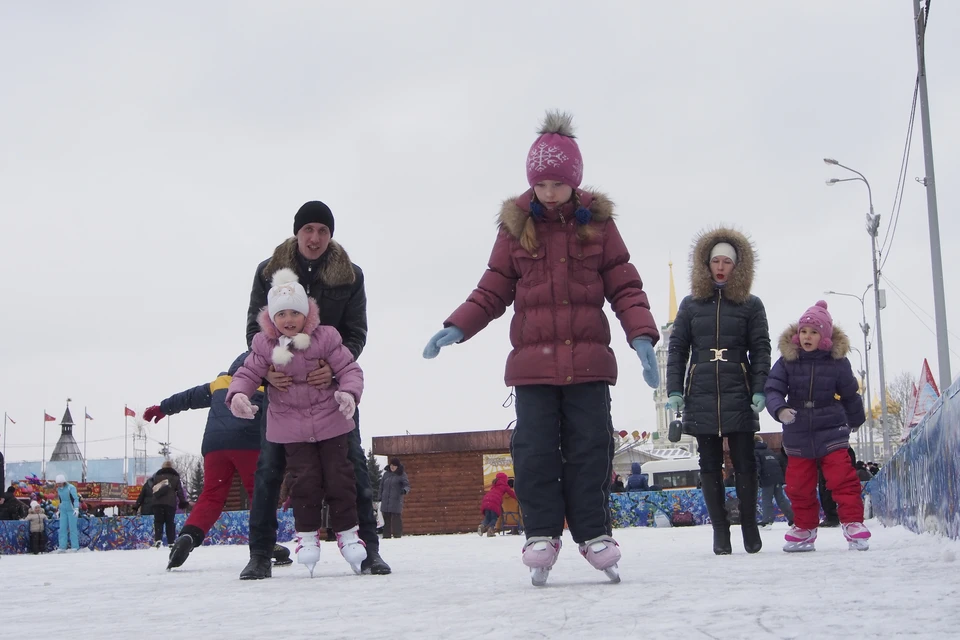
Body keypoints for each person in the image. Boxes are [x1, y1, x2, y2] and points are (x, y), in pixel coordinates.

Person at [422, 111, 660, 586]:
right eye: (541, 183)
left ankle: (594, 533)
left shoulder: (599, 227)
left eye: (558, 183)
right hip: (532, 369)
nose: (549, 192)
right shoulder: (516, 228)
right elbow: (491, 289)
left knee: (591, 449)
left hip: (589, 365)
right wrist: (458, 327)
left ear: (575, 181)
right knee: (533, 452)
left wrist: (642, 336)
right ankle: (541, 533)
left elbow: (625, 286)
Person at [241, 201, 390, 579]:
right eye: (308, 229)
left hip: (333, 394)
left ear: (330, 235)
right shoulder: (268, 271)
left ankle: (368, 551)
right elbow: (254, 332)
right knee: (270, 469)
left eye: (322, 231)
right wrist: (266, 375)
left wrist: (334, 370)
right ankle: (259, 553)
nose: (315, 237)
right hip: (284, 395)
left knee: (351, 467)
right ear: (297, 232)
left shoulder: (350, 276)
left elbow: (356, 332)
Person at [227, 268, 366, 576]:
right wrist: (238, 395)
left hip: (331, 423)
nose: (288, 320)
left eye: (294, 313)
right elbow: (247, 373)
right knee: (303, 482)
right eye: (281, 314)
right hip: (292, 429)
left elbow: (350, 369)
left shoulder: (326, 338)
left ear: (306, 314)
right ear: (271, 319)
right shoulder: (265, 346)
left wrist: (348, 393)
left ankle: (347, 533)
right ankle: (306, 537)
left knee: (340, 477)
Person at [666, 228, 771, 555]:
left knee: (745, 463)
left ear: (738, 265)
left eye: (727, 261)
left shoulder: (751, 305)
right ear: (706, 264)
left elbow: (761, 349)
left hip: (738, 390)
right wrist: (674, 390)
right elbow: (677, 349)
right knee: (708, 464)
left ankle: (750, 528)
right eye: (716, 261)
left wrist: (759, 388)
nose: (721, 267)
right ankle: (720, 532)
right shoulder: (691, 304)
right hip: (702, 391)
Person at [143, 353, 292, 570]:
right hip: (248, 443)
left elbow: (187, 397)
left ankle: (188, 536)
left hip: (215, 446)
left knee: (212, 495)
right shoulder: (265, 385)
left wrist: (162, 408)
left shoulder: (219, 383)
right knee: (260, 494)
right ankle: (264, 546)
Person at [764, 301, 871, 552]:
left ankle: (853, 523)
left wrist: (855, 420)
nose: (807, 336)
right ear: (797, 334)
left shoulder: (837, 362)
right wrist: (780, 410)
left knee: (842, 478)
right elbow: (773, 388)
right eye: (803, 331)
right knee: (798, 483)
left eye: (813, 332)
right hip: (798, 429)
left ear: (824, 337)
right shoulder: (787, 362)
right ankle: (804, 527)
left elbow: (849, 393)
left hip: (831, 427)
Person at [754, 436, 794, 528]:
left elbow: (757, 466)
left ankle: (767, 520)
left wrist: (756, 477)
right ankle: (793, 518)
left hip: (767, 478)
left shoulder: (755, 452)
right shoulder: (769, 451)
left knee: (766, 499)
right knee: (781, 499)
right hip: (777, 478)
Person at [148, 461, 190, 548]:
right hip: (170, 503)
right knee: (170, 523)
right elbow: (180, 491)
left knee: (158, 521)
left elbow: (151, 486)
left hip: (157, 503)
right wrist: (183, 502)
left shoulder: (156, 476)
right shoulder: (175, 477)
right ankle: (171, 542)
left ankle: (158, 539)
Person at [378, 458, 410, 539]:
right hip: (385, 500)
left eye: (394, 465)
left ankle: (397, 535)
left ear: (397, 466)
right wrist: (379, 497)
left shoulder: (402, 474)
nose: (392, 467)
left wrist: (404, 490)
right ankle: (386, 536)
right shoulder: (386, 474)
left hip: (396, 500)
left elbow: (407, 485)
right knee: (386, 519)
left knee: (396, 519)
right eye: (391, 465)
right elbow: (381, 486)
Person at [478, 472, 516, 537]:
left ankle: (482, 525)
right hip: (494, 501)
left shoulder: (494, 485)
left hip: (486, 499)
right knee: (494, 518)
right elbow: (511, 493)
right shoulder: (505, 486)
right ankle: (491, 530)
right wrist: (518, 497)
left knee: (487, 517)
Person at [55, 475, 81, 551]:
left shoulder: (71, 487)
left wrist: (76, 508)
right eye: (58, 483)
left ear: (64, 482)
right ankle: (62, 546)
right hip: (63, 510)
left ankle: (75, 546)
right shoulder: (59, 489)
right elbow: (60, 499)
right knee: (62, 528)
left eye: (60, 483)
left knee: (72, 528)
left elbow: (75, 498)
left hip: (71, 509)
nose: (59, 484)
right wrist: (59, 509)